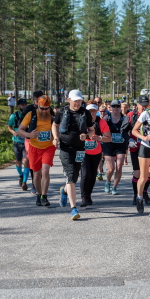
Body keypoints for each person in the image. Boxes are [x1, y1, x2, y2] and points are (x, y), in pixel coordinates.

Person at [52, 90, 95, 220]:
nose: (77, 103)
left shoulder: (85, 113)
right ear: (69, 100)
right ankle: (73, 208)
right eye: (75, 100)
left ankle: (64, 190)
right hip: (65, 148)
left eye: (79, 100)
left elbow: (92, 130)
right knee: (70, 176)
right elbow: (55, 125)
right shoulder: (62, 111)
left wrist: (87, 135)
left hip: (80, 149)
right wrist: (55, 137)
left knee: (74, 177)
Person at [17, 95, 56, 207]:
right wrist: (29, 134)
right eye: (42, 108)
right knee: (36, 174)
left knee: (45, 171)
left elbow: (58, 128)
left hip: (48, 147)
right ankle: (39, 194)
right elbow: (20, 130)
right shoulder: (31, 114)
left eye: (46, 108)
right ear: (38, 106)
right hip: (34, 147)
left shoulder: (53, 116)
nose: (44, 111)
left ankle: (44, 196)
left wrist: (56, 138)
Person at [122, 95, 150, 206]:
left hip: (148, 147)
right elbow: (123, 131)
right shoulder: (131, 115)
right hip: (135, 146)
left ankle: (144, 192)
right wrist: (129, 139)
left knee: (149, 173)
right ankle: (136, 195)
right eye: (142, 106)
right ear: (137, 105)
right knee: (137, 173)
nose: (144, 108)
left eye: (146, 105)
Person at [80, 102, 111, 207]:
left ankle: (88, 195)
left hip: (96, 152)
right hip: (83, 152)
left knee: (92, 176)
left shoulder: (101, 122)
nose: (91, 113)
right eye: (89, 111)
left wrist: (99, 138)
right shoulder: (81, 121)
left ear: (96, 112)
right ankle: (84, 197)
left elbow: (108, 138)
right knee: (85, 174)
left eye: (93, 111)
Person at [21, 90, 47, 195]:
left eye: (41, 99)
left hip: (45, 138)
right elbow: (21, 125)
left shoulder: (47, 108)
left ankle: (38, 182)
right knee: (33, 160)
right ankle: (34, 183)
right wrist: (29, 132)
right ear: (34, 100)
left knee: (42, 162)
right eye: (37, 100)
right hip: (31, 138)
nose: (39, 102)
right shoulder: (28, 109)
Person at [102, 99, 129, 195]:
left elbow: (128, 131)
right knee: (111, 168)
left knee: (119, 166)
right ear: (111, 108)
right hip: (108, 145)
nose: (116, 108)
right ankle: (108, 182)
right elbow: (101, 129)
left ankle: (114, 187)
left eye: (118, 106)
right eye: (114, 106)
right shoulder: (106, 118)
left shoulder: (124, 118)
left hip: (120, 145)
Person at [7, 98, 31, 190]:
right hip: (17, 141)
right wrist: (13, 132)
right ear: (19, 106)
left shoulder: (29, 115)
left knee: (26, 161)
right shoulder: (14, 116)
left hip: (27, 141)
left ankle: (24, 182)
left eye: (25, 104)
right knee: (18, 162)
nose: (24, 106)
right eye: (22, 105)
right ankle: (21, 175)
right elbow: (9, 126)